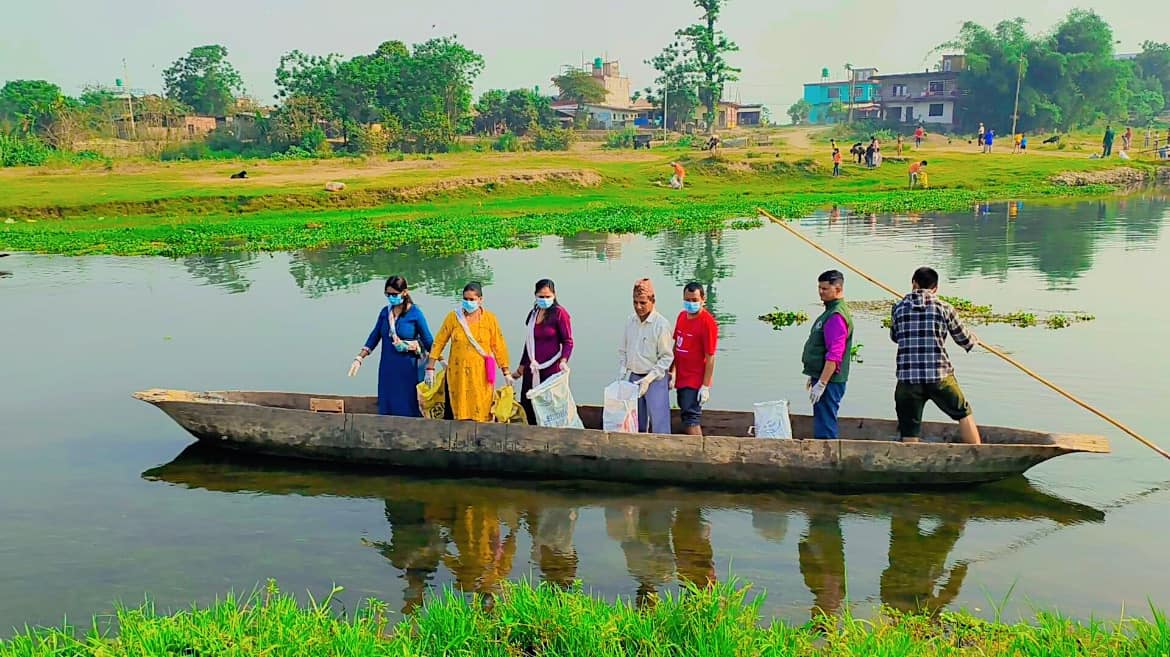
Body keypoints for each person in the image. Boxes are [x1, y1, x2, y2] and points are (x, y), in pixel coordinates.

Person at [889, 267, 981, 445]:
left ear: (913, 283)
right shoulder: (944, 307)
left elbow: (895, 337)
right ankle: (977, 451)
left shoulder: (898, 308)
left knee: (909, 426)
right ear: (935, 288)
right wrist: (974, 339)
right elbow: (964, 340)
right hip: (939, 377)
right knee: (963, 412)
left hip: (908, 379)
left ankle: (911, 459)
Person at [349, 275, 434, 416]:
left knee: (408, 404)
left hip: (408, 369)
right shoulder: (385, 312)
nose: (391, 297)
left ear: (404, 292)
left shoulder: (415, 314)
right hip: (388, 368)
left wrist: (435, 364)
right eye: (388, 294)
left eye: (394, 294)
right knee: (388, 402)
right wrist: (360, 357)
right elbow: (374, 336)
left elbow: (428, 341)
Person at [427, 282, 511, 422]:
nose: (468, 302)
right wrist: (430, 367)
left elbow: (499, 346)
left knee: (481, 408)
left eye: (472, 299)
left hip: (481, 374)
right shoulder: (453, 317)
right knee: (458, 408)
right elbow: (439, 341)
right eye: (465, 299)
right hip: (457, 373)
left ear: (480, 300)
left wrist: (506, 372)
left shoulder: (490, 319)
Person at [618, 278, 674, 434]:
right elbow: (623, 349)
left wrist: (649, 379)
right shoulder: (630, 321)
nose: (638, 307)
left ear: (652, 300)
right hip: (634, 377)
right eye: (635, 302)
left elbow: (666, 357)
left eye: (643, 302)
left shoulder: (661, 325)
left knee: (659, 422)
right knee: (635, 421)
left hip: (654, 379)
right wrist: (623, 369)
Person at [514, 278, 574, 424]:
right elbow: (528, 343)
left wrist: (564, 360)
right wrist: (521, 368)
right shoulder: (533, 314)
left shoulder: (560, 314)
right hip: (532, 368)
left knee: (550, 407)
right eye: (541, 297)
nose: (544, 299)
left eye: (548, 297)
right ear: (535, 295)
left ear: (554, 295)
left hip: (550, 369)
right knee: (528, 403)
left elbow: (568, 341)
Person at [802, 270, 853, 439]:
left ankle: (827, 456)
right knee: (823, 418)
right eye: (819, 288)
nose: (820, 292)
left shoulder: (836, 316)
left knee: (825, 422)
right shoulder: (829, 312)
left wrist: (822, 383)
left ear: (837, 289)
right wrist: (814, 375)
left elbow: (834, 355)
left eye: (825, 289)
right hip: (822, 375)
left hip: (831, 381)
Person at [670, 282, 718, 436]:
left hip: (695, 380)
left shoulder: (707, 323)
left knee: (691, 417)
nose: (690, 304)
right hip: (681, 378)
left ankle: (697, 451)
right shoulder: (682, 317)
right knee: (685, 413)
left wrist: (705, 387)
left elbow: (710, 357)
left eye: (694, 300)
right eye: (687, 300)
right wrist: (671, 371)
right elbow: (676, 346)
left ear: (703, 299)